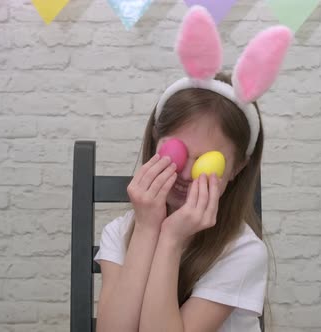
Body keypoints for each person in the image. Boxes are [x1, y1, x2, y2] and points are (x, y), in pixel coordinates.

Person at [93, 6, 292, 332]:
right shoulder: (123, 231)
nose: (185, 174)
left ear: (237, 168)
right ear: (156, 140)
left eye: (207, 162)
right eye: (177, 152)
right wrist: (147, 229)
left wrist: (171, 238)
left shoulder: (242, 251)